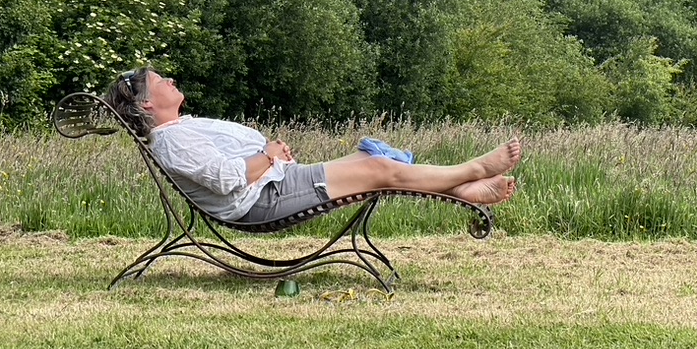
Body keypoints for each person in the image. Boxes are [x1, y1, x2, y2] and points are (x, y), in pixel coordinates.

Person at [104, 67, 520, 224]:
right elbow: (228, 178)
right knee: (376, 172)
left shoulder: (184, 127)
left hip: (274, 182)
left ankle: (461, 190)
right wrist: (268, 156)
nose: (171, 81)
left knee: (369, 158)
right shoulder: (172, 140)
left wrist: (270, 151)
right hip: (263, 200)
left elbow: (244, 155)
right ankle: (472, 171)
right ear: (145, 103)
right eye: (162, 82)